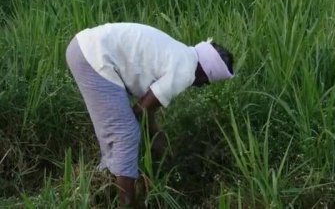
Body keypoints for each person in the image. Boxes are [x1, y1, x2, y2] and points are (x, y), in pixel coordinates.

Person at [65, 22, 234, 207]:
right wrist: (147, 133)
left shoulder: (180, 54)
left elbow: (147, 110)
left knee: (120, 130)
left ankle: (102, 186)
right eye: (206, 82)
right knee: (125, 133)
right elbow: (141, 110)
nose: (201, 86)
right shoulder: (186, 69)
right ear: (204, 73)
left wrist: (158, 139)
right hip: (93, 56)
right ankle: (127, 203)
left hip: (85, 48)